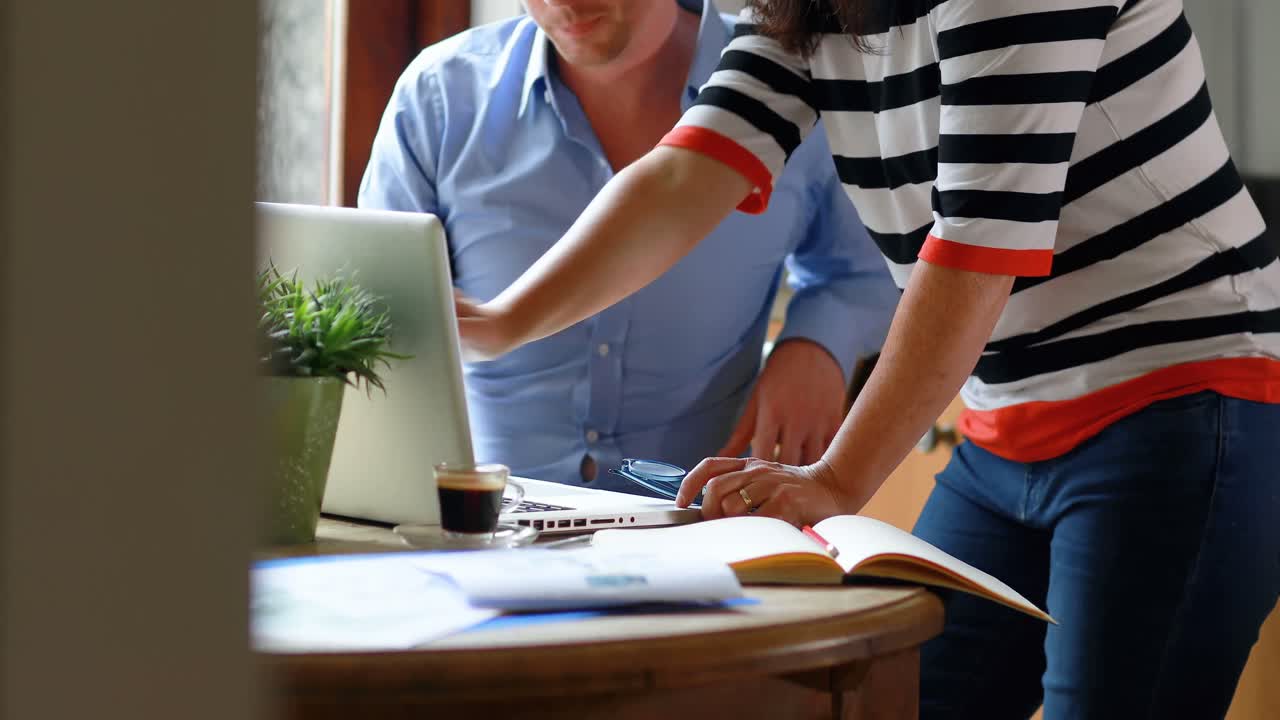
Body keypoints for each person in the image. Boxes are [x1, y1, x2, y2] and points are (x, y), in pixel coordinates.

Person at [454, 0, 1280, 717]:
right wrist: (502, 320)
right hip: (1009, 423)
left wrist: (837, 478)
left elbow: (974, 249)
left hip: (1186, 397)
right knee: (892, 699)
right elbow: (686, 174)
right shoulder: (811, 8)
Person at [359, 0, 898, 491]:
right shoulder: (437, 99)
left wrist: (819, 346)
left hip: (702, 522)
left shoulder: (792, 79)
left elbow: (865, 268)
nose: (560, 3)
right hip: (480, 520)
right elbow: (375, 313)